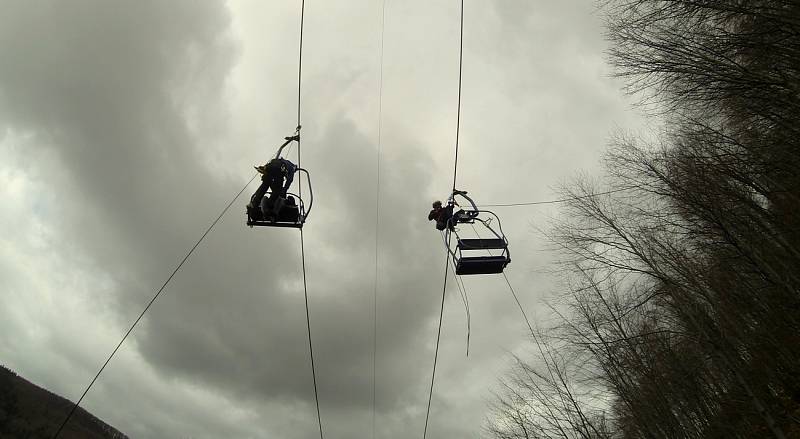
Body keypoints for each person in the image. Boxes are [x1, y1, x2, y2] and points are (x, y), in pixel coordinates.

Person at [248, 136, 298, 220]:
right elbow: (289, 181)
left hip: (271, 168)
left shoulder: (281, 160)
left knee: (265, 185)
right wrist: (284, 190)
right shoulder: (291, 169)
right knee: (277, 191)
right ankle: (270, 208)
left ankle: (254, 203)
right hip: (278, 171)